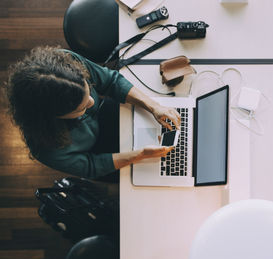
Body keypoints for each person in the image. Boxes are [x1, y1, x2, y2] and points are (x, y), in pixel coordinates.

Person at [6, 46, 180, 181]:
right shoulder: (45, 148)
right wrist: (140, 155)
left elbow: (111, 81)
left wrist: (154, 106)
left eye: (89, 92)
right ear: (54, 117)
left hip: (106, 118)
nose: (93, 102)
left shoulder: (65, 66)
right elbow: (92, 166)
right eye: (81, 108)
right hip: (98, 153)